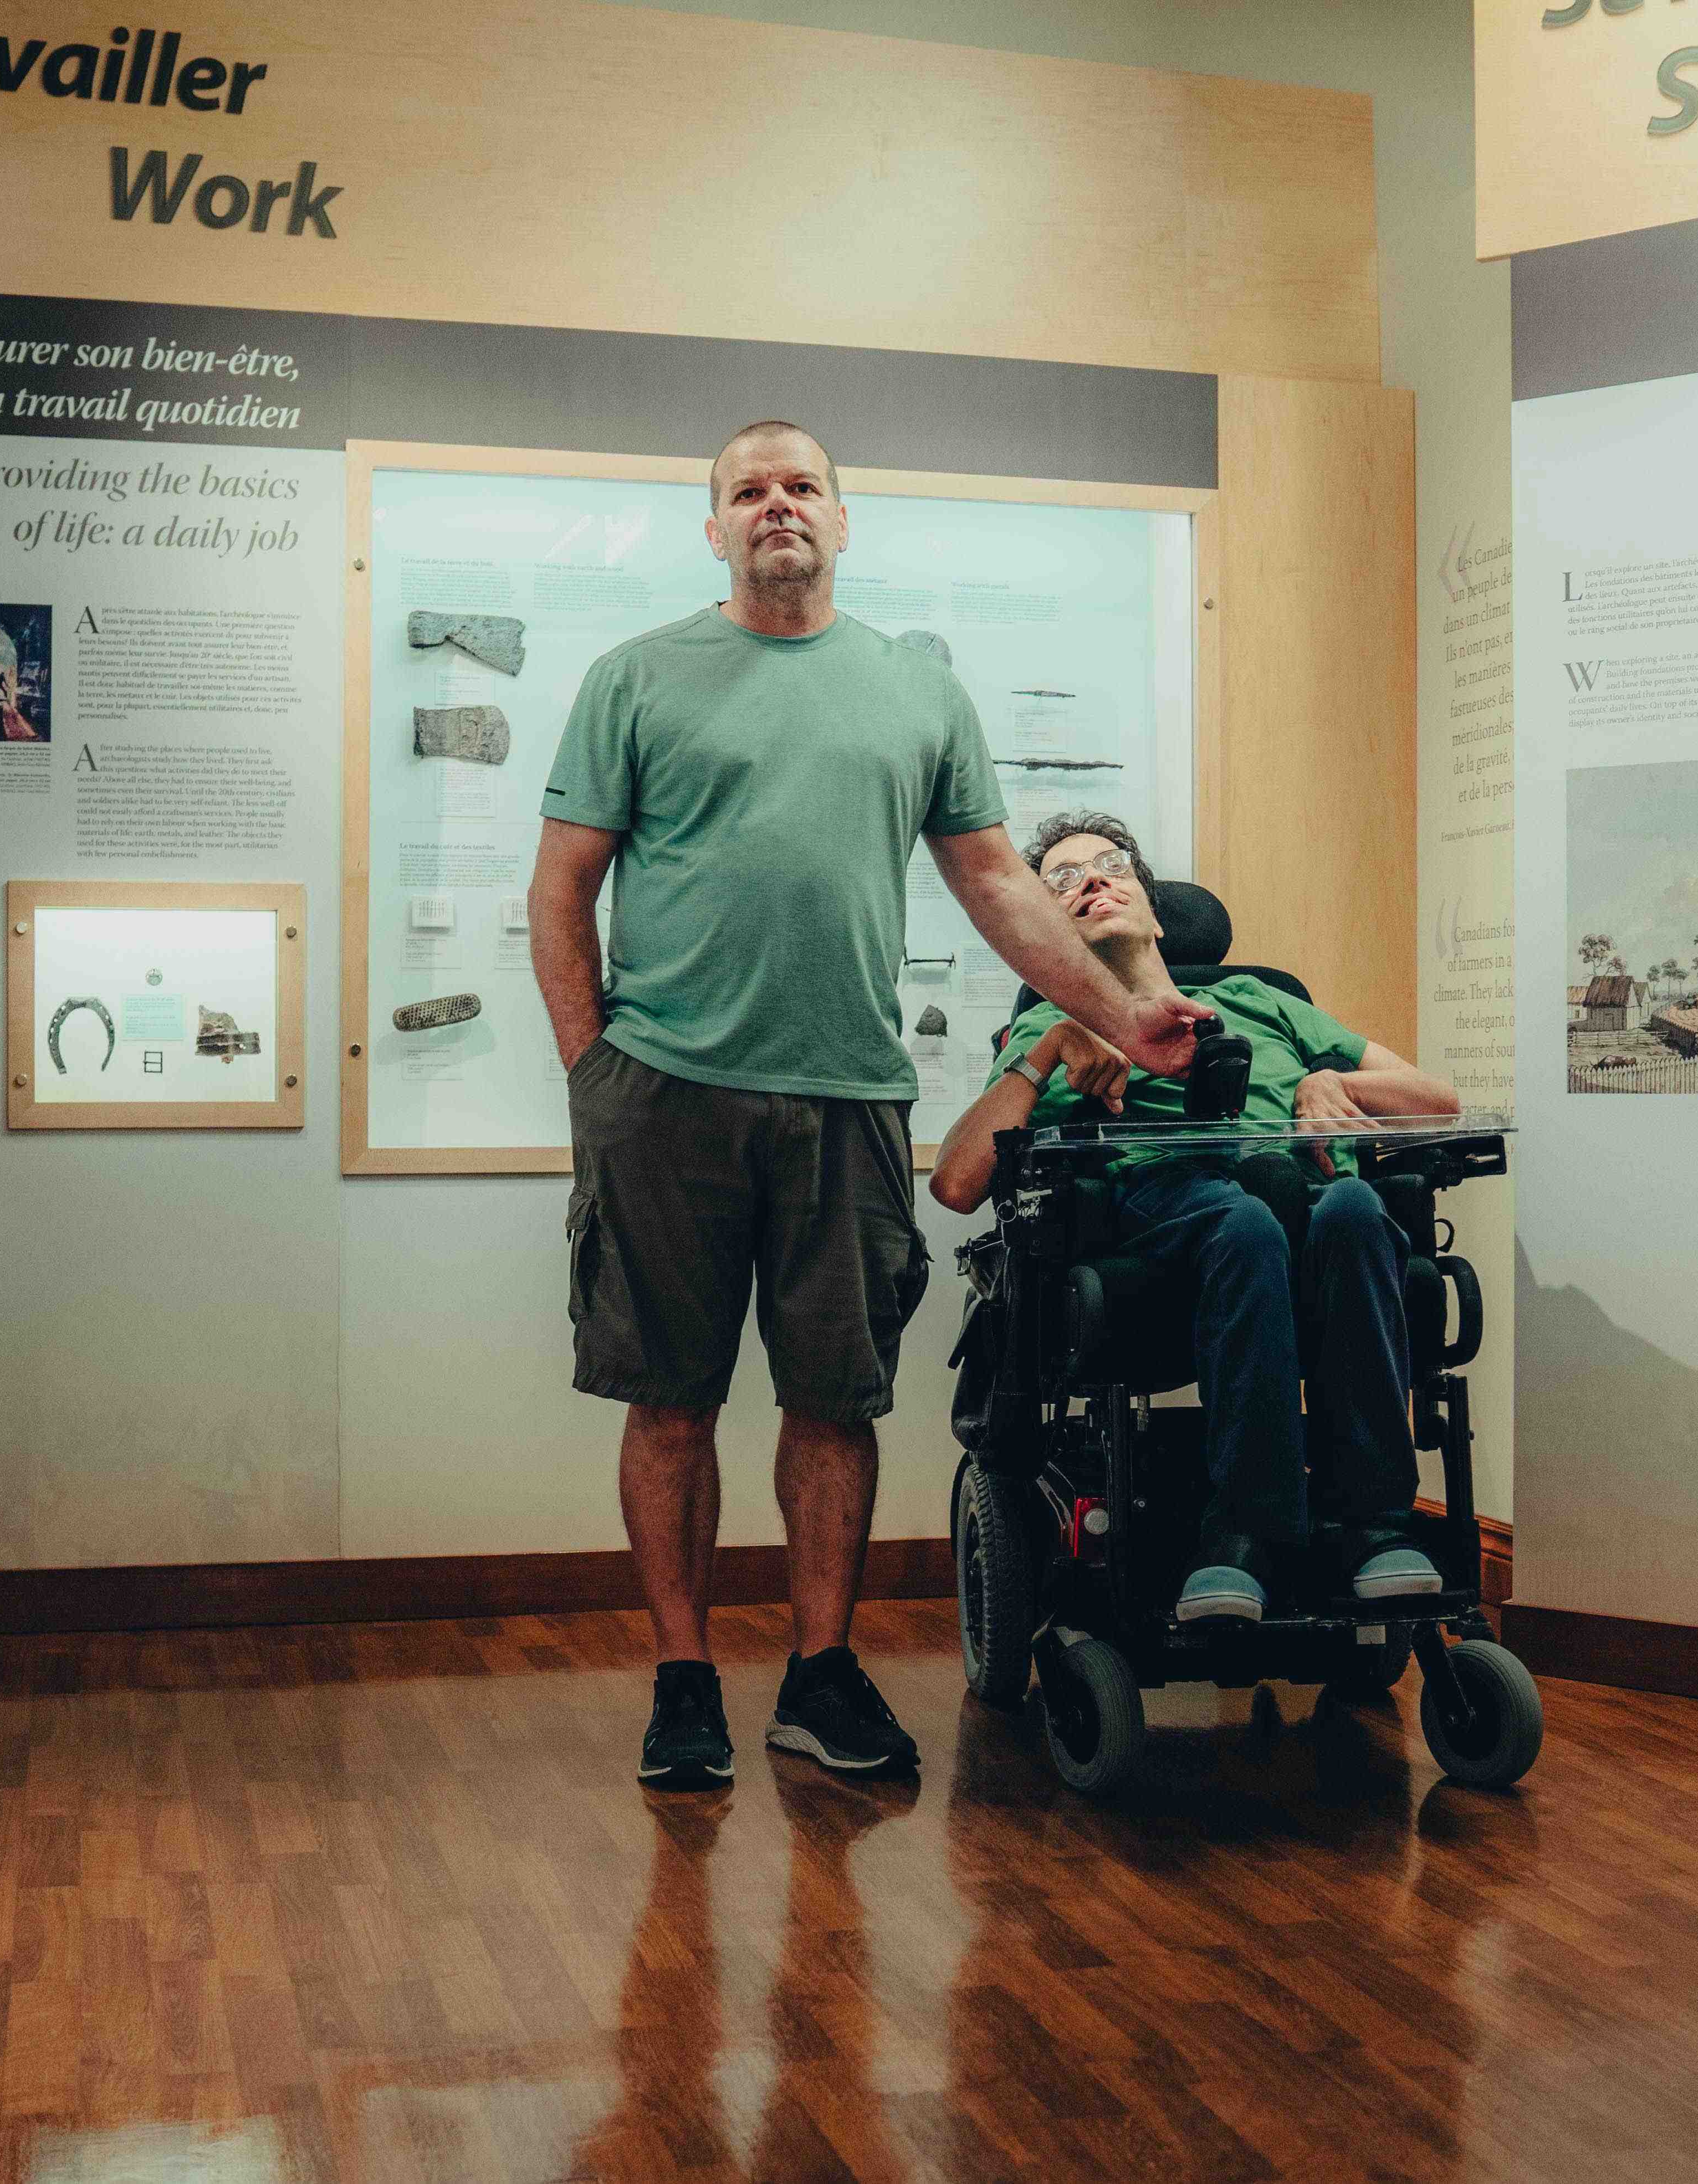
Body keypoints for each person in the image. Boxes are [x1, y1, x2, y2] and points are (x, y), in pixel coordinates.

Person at [531, 421, 1214, 1790]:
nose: (776, 507)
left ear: (845, 522)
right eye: (748, 491)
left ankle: (822, 1676)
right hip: (664, 1100)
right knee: (669, 1405)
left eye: (801, 489)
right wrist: (597, 1078)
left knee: (836, 1405)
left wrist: (1119, 1013)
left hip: (846, 1101)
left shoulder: (915, 693)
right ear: (713, 528)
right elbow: (560, 895)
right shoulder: (635, 679)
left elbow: (998, 886)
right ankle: (682, 1683)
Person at [928, 814, 1460, 1623]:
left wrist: (1330, 1081)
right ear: (1044, 923)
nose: (1093, 880)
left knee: (1355, 1206)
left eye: (1110, 866)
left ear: (1154, 906)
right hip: (1178, 1218)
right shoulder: (1049, 1025)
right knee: (1241, 1220)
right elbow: (959, 1181)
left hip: (1315, 1209)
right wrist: (1049, 1053)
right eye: (1064, 879)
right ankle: (1245, 1535)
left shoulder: (1258, 1001)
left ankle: (1374, 1527)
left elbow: (1437, 1102)